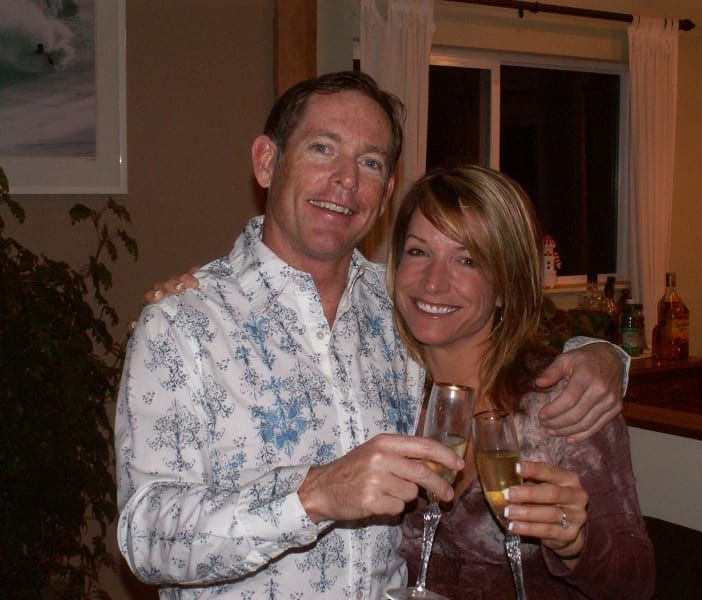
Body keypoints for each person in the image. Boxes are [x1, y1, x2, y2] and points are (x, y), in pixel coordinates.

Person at [117, 71, 628, 599]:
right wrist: (312, 496)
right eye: (323, 148)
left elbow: (495, 336)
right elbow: (144, 538)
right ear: (267, 161)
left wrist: (604, 354)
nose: (345, 180)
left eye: (370, 162)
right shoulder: (182, 325)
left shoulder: (399, 312)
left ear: (385, 194)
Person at [388, 165, 654, 598]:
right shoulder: (380, 385)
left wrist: (576, 545)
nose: (432, 281)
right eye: (418, 251)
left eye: (467, 260)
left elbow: (636, 582)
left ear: (505, 286)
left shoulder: (559, 400)